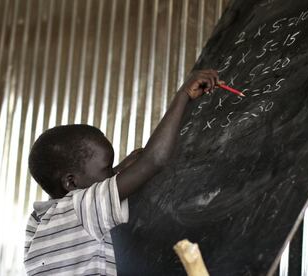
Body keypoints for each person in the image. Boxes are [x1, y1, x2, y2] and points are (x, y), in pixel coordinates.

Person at [24, 69, 220, 275]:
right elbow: (154, 160)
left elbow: (118, 174)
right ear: (71, 183)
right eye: (107, 168)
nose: (113, 173)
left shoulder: (39, 223)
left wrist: (121, 167)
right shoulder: (81, 208)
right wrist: (184, 95)